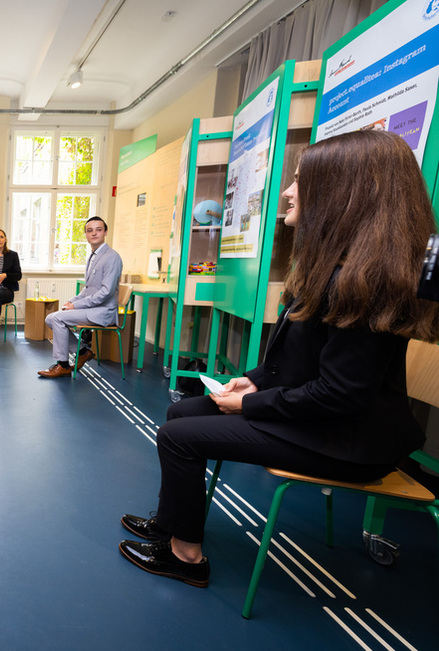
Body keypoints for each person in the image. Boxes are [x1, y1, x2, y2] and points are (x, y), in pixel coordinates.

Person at [119, 130, 439, 588]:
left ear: (341, 195)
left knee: (178, 436)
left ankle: (185, 558)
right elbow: (300, 361)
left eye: (300, 181)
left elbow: (340, 394)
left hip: (349, 442)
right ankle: (172, 524)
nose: (287, 192)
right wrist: (252, 382)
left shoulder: (368, 281)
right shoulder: (334, 267)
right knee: (180, 411)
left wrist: (249, 405)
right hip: (325, 421)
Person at [38, 216, 123, 378]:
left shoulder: (112, 257)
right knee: (50, 318)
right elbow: (88, 289)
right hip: (93, 308)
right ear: (85, 234)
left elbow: (105, 293)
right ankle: (83, 351)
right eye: (90, 230)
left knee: (57, 319)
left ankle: (62, 365)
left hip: (103, 311)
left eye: (98, 230)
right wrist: (73, 301)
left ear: (105, 232)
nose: (94, 234)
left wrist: (76, 307)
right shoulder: (93, 256)